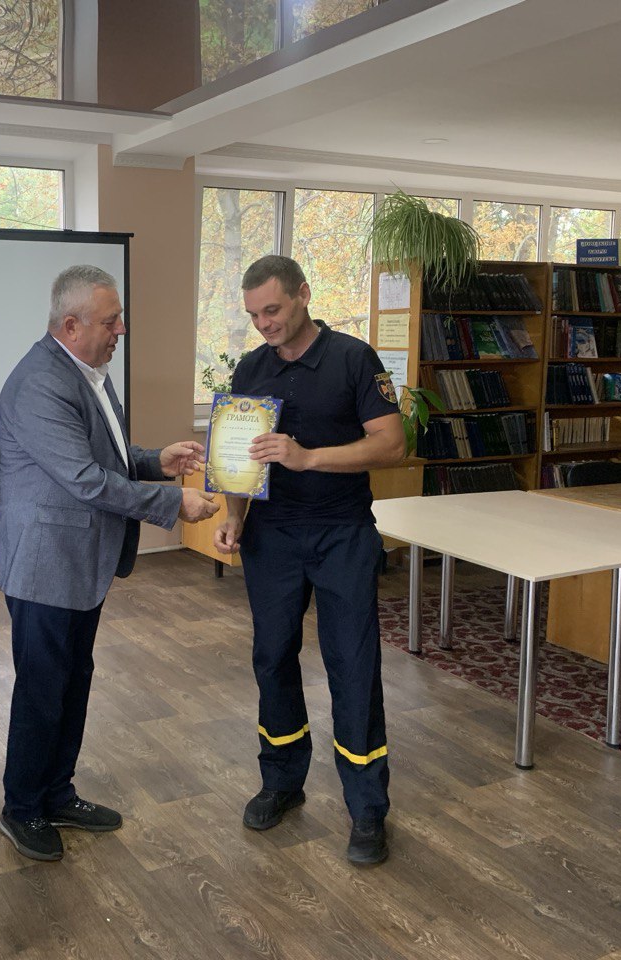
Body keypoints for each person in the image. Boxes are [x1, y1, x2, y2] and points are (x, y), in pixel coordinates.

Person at [0, 264, 219, 862]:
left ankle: (56, 793)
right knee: (43, 689)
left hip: (78, 563)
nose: (122, 330)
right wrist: (174, 502)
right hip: (44, 566)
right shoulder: (40, 384)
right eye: (111, 321)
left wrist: (155, 460)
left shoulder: (87, 372)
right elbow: (86, 480)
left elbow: (106, 457)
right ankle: (22, 809)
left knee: (72, 681)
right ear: (71, 325)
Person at [213, 254, 405, 865]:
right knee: (272, 657)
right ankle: (281, 781)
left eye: (272, 309)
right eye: (254, 315)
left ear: (303, 295)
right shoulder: (251, 368)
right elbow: (240, 457)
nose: (264, 323)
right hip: (271, 538)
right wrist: (234, 516)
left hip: (341, 532)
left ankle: (367, 808)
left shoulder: (354, 359)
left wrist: (308, 457)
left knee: (353, 664)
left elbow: (392, 444)